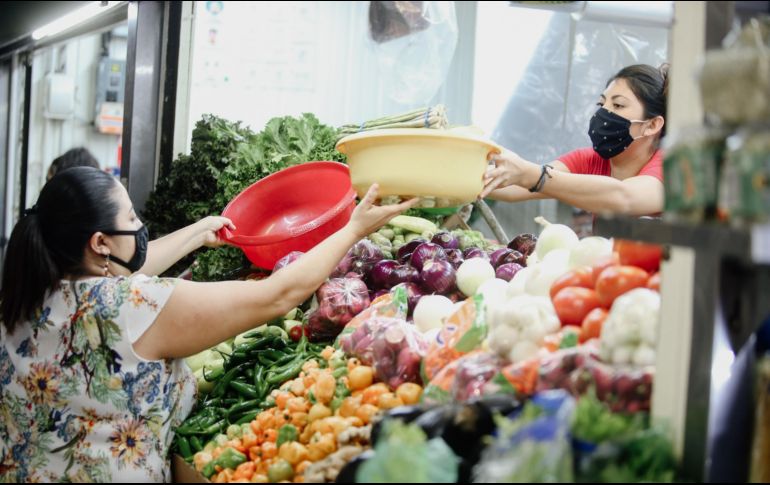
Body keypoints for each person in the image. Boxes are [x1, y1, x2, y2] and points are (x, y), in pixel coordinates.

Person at [0, 166, 416, 482]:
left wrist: (199, 233)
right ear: (100, 243)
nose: (140, 226)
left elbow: (121, 267)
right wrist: (354, 228)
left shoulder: (20, 299)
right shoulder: (131, 307)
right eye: (131, 218)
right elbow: (277, 295)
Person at [480, 64, 668, 218]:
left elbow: (623, 198)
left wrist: (531, 174)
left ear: (652, 125)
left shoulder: (668, 167)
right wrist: (466, 173)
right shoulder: (588, 160)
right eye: (601, 104)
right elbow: (514, 187)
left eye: (618, 105)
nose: (604, 113)